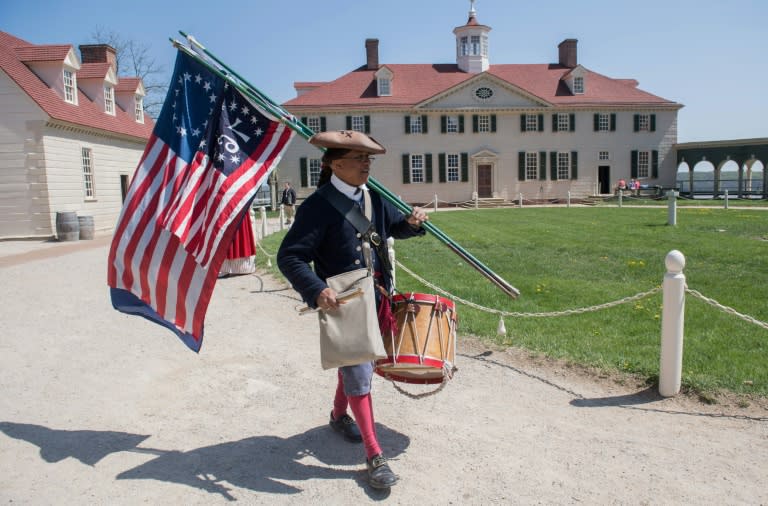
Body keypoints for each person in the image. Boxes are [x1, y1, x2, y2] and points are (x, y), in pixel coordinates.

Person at [277, 130, 428, 489]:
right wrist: (316, 289)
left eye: (368, 159)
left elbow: (390, 228)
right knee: (360, 372)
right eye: (359, 159)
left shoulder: (374, 197)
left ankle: (336, 416)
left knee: (357, 362)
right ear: (335, 164)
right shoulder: (317, 206)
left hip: (377, 296)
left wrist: (410, 223)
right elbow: (290, 256)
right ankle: (375, 456)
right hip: (343, 301)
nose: (366, 165)